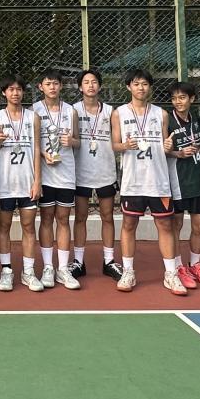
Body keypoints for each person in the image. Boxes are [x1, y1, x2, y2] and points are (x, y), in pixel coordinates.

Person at [111, 68, 182, 293]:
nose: (141, 88)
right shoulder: (119, 113)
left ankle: (171, 274)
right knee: (129, 224)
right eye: (136, 84)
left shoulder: (161, 114)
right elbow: (114, 145)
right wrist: (125, 145)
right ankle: (128, 271)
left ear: (150, 87)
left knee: (165, 225)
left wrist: (169, 147)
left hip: (158, 180)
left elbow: (165, 145)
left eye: (144, 84)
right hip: (133, 181)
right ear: (128, 87)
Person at [0, 76, 44, 292]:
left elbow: (37, 149)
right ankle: (6, 270)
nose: (15, 93)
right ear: (4, 93)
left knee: (29, 226)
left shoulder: (33, 117)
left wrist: (37, 180)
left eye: (19, 89)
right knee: (4, 226)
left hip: (27, 181)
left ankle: (28, 271)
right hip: (5, 181)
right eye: (11, 89)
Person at [31, 68, 80, 290]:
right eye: (48, 84)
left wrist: (71, 141)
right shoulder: (34, 110)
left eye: (56, 84)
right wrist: (43, 155)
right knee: (46, 218)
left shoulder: (71, 111)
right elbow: (33, 143)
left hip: (66, 173)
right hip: (45, 174)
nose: (52, 87)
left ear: (61, 86)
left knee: (63, 219)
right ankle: (48, 267)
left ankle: (62, 268)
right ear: (41, 87)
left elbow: (78, 141)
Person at [166, 81, 200, 287]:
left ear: (192, 99)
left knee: (199, 225)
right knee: (176, 225)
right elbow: (162, 150)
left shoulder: (197, 119)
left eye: (182, 97)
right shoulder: (167, 120)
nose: (178, 102)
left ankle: (195, 264)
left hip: (197, 179)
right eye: (175, 98)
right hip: (178, 180)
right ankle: (178, 267)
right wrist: (176, 152)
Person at [72, 68, 119, 280]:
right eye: (86, 82)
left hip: (105, 171)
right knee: (80, 217)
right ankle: (78, 261)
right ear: (80, 87)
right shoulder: (73, 110)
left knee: (107, 216)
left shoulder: (110, 112)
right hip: (80, 172)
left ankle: (109, 261)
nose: (90, 85)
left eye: (94, 82)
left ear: (99, 86)